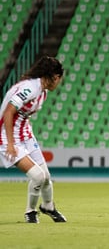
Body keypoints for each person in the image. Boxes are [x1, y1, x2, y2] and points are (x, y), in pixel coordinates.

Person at [0, 56, 67, 223]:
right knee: (37, 176)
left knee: (45, 176)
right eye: (59, 79)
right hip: (6, 137)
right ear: (55, 77)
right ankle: (30, 212)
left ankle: (48, 206)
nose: (58, 83)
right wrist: (9, 143)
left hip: (26, 135)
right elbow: (8, 112)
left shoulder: (42, 91)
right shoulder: (30, 89)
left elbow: (22, 115)